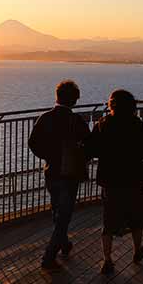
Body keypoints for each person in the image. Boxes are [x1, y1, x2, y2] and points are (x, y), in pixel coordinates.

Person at [87, 89, 143, 275]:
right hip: (133, 177)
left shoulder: (103, 124)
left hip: (110, 178)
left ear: (112, 105)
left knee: (109, 220)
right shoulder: (138, 125)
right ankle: (137, 250)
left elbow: (93, 149)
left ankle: (107, 260)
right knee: (136, 217)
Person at [29, 80, 90, 270]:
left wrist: (49, 156)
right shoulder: (77, 120)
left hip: (52, 172)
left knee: (57, 210)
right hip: (70, 174)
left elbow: (33, 142)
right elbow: (89, 145)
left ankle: (64, 243)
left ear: (57, 96)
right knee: (64, 215)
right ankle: (49, 257)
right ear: (74, 100)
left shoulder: (45, 117)